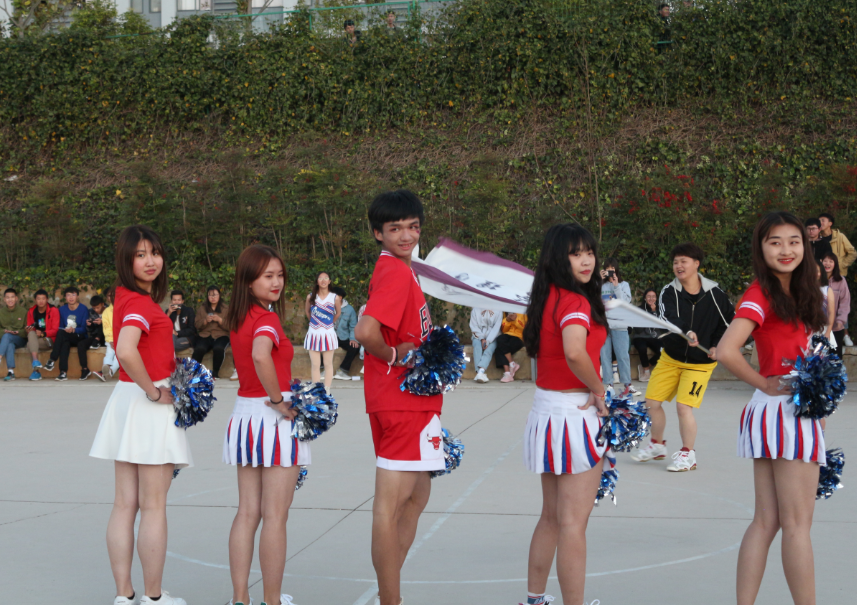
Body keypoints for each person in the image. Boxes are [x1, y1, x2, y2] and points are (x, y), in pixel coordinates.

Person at [716, 211, 827, 605]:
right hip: (784, 410)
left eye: (794, 241)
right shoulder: (760, 294)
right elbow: (726, 351)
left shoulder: (799, 291)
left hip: (778, 412)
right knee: (796, 525)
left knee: (767, 521)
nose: (786, 250)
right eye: (775, 242)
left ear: (806, 246)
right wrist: (765, 382)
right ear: (760, 248)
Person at [89, 225, 192, 605]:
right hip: (147, 403)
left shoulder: (124, 298)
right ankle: (153, 597)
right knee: (152, 506)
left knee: (124, 504)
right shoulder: (140, 304)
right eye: (140, 255)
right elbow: (126, 350)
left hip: (126, 401)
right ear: (126, 260)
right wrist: (154, 391)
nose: (151, 261)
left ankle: (124, 594)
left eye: (155, 253)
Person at [354, 190, 444, 605]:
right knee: (390, 507)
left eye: (413, 227)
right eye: (395, 229)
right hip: (400, 401)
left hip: (411, 402)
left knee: (417, 494)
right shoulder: (393, 271)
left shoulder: (402, 270)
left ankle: (388, 588)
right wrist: (393, 355)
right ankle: (391, 599)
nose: (406, 236)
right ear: (378, 233)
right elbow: (365, 331)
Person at [519, 223, 611, 605]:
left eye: (589, 252)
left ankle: (534, 599)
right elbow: (575, 352)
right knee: (573, 523)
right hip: (574, 415)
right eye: (576, 253)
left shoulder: (547, 296)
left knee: (552, 517)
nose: (586, 260)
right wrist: (600, 389)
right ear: (558, 257)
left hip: (546, 411)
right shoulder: (574, 301)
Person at [223, 244, 307, 605]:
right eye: (268, 276)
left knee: (247, 512)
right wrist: (277, 400)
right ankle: (271, 600)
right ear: (248, 280)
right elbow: (261, 355)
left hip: (244, 417)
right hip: (272, 421)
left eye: (280, 275)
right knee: (274, 516)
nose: (277, 282)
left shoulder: (239, 318)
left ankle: (240, 598)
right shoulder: (266, 319)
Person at [631, 243, 734, 472]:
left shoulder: (715, 294)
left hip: (700, 364)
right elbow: (668, 317)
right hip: (671, 357)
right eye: (675, 262)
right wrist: (686, 331)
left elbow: (728, 321)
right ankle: (657, 445)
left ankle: (688, 454)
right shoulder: (669, 291)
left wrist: (717, 345)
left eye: (683, 261)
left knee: (683, 407)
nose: (678, 265)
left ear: (696, 264)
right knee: (651, 403)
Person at [599, 257, 636, 397]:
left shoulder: (624, 285)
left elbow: (625, 302)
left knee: (623, 356)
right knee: (605, 356)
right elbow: (592, 299)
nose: (610, 271)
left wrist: (616, 286)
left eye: (612, 269)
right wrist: (597, 281)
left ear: (616, 270)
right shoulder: (600, 285)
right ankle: (609, 384)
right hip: (604, 325)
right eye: (607, 269)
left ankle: (627, 383)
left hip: (619, 324)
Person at [303, 271, 341, 393]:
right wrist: (314, 323)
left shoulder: (334, 297)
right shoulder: (310, 297)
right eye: (320, 278)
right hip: (313, 333)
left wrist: (329, 323)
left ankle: (327, 389)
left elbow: (338, 313)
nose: (323, 280)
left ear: (329, 281)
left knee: (328, 363)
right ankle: (316, 389)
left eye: (326, 278)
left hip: (328, 333)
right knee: (315, 364)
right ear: (317, 281)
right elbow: (307, 312)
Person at [44, 286, 91, 381]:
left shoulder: (83, 309)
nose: (71, 297)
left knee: (62, 335)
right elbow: (61, 327)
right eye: (68, 295)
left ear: (77, 296)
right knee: (64, 342)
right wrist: (66, 330)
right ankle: (63, 372)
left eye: (73, 295)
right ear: (65, 297)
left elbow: (84, 329)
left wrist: (73, 330)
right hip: (66, 335)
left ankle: (52, 359)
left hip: (79, 336)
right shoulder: (62, 309)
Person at [193, 285, 230, 380]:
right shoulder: (202, 308)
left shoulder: (226, 309)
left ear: (219, 295)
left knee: (218, 348)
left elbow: (230, 326)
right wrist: (205, 321)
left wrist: (220, 320)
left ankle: (215, 373)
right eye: (210, 295)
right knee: (200, 348)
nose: (213, 297)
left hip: (221, 335)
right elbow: (197, 325)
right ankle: (193, 372)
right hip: (205, 334)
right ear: (207, 296)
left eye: (215, 295)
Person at [25, 288, 59, 381]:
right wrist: (28, 329)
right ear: (35, 300)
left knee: (30, 345)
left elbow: (56, 330)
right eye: (38, 298)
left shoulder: (53, 310)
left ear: (47, 299)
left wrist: (43, 334)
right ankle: (36, 361)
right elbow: (30, 329)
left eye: (43, 298)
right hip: (36, 338)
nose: (41, 301)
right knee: (31, 334)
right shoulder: (31, 311)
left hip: (49, 339)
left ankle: (36, 371)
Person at [632, 288, 664, 382]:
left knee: (665, 351)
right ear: (645, 298)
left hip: (654, 336)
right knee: (642, 348)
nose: (651, 298)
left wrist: (654, 312)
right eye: (649, 296)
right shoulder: (639, 309)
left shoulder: (660, 310)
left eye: (653, 296)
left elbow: (662, 325)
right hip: (640, 336)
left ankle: (646, 365)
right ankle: (646, 372)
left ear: (656, 298)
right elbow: (637, 329)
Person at [822, 252, 850, 357]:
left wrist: (840, 321)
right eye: (825, 261)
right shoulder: (815, 280)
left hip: (836, 327)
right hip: (819, 327)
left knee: (835, 358)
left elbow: (845, 303)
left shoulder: (841, 281)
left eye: (831, 261)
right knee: (818, 358)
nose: (827, 264)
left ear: (835, 264)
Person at [331, 285, 360, 381]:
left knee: (354, 347)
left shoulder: (349, 310)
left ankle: (342, 371)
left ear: (340, 297)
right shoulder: (327, 307)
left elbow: (353, 326)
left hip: (343, 337)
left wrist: (353, 339)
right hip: (330, 336)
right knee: (320, 345)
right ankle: (324, 371)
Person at [0, 288, 28, 381]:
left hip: (20, 339)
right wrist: (4, 331)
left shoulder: (23, 311)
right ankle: (11, 372)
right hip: (6, 339)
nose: (10, 299)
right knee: (9, 344)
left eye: (12, 297)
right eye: (7, 297)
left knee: (8, 337)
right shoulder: (1, 312)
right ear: (4, 299)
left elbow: (27, 330)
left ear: (16, 298)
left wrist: (18, 332)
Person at [470, 307, 503, 383]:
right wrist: (482, 338)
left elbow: (496, 328)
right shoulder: (475, 309)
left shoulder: (498, 310)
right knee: (477, 347)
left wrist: (488, 341)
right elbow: (474, 326)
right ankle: (480, 373)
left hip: (493, 336)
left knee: (489, 350)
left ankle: (480, 372)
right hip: (477, 336)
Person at [818, 212, 856, 276]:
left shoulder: (840, 236)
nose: (820, 223)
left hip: (838, 274)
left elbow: (852, 253)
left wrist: (841, 265)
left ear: (830, 223)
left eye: (823, 220)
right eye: (819, 221)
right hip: (822, 274)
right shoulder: (817, 238)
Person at [495, 311, 527, 383]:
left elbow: (526, 329)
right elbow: (504, 330)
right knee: (500, 339)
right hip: (509, 334)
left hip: (520, 337)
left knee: (499, 350)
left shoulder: (524, 310)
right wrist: (507, 321)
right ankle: (512, 364)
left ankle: (507, 373)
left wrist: (516, 320)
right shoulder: (507, 311)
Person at [101, 288, 120, 379]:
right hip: (111, 339)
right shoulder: (106, 312)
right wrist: (111, 340)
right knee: (109, 353)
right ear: (107, 298)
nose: (112, 297)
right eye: (109, 296)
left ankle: (110, 371)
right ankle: (106, 370)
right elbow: (107, 328)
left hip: (124, 339)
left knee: (119, 355)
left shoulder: (124, 308)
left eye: (113, 294)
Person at [818, 264, 836, 343]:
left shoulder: (827, 289)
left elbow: (831, 312)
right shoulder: (803, 289)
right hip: (805, 329)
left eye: (817, 271)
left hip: (823, 329)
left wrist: (828, 332)